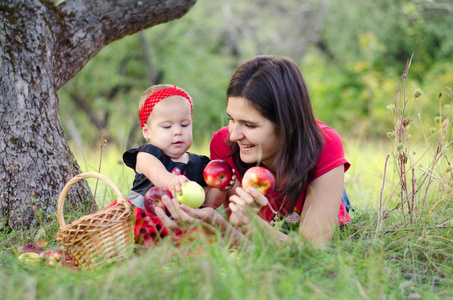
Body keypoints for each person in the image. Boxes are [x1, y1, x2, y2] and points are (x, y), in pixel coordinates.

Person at [155, 56, 351, 249]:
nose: (234, 135)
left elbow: (312, 249)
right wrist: (216, 221)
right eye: (231, 119)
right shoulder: (224, 144)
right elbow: (247, 244)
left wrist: (254, 225)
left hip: (314, 182)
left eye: (249, 125)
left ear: (288, 124)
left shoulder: (325, 144)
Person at [119, 84, 235, 246]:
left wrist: (221, 188)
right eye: (167, 126)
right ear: (146, 132)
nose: (177, 131)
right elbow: (155, 172)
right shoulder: (147, 155)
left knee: (203, 245)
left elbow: (208, 203)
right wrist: (171, 181)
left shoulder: (201, 164)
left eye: (184, 125)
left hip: (183, 228)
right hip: (146, 223)